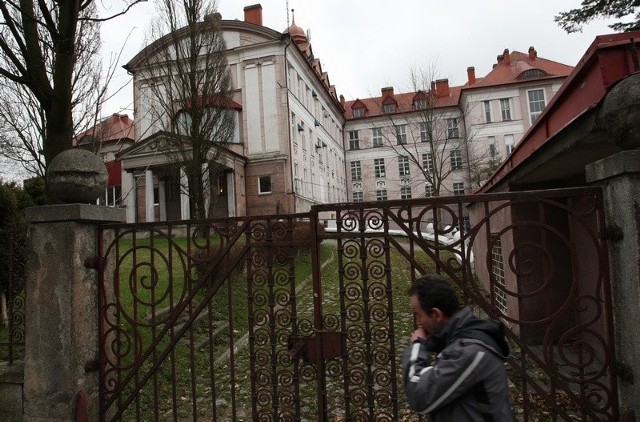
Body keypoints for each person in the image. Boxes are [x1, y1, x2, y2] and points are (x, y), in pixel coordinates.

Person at [401, 274, 513, 421]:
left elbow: (420, 394)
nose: (418, 322)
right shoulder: (458, 340)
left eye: (418, 315)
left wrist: (417, 345)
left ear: (436, 314)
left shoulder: (469, 351)